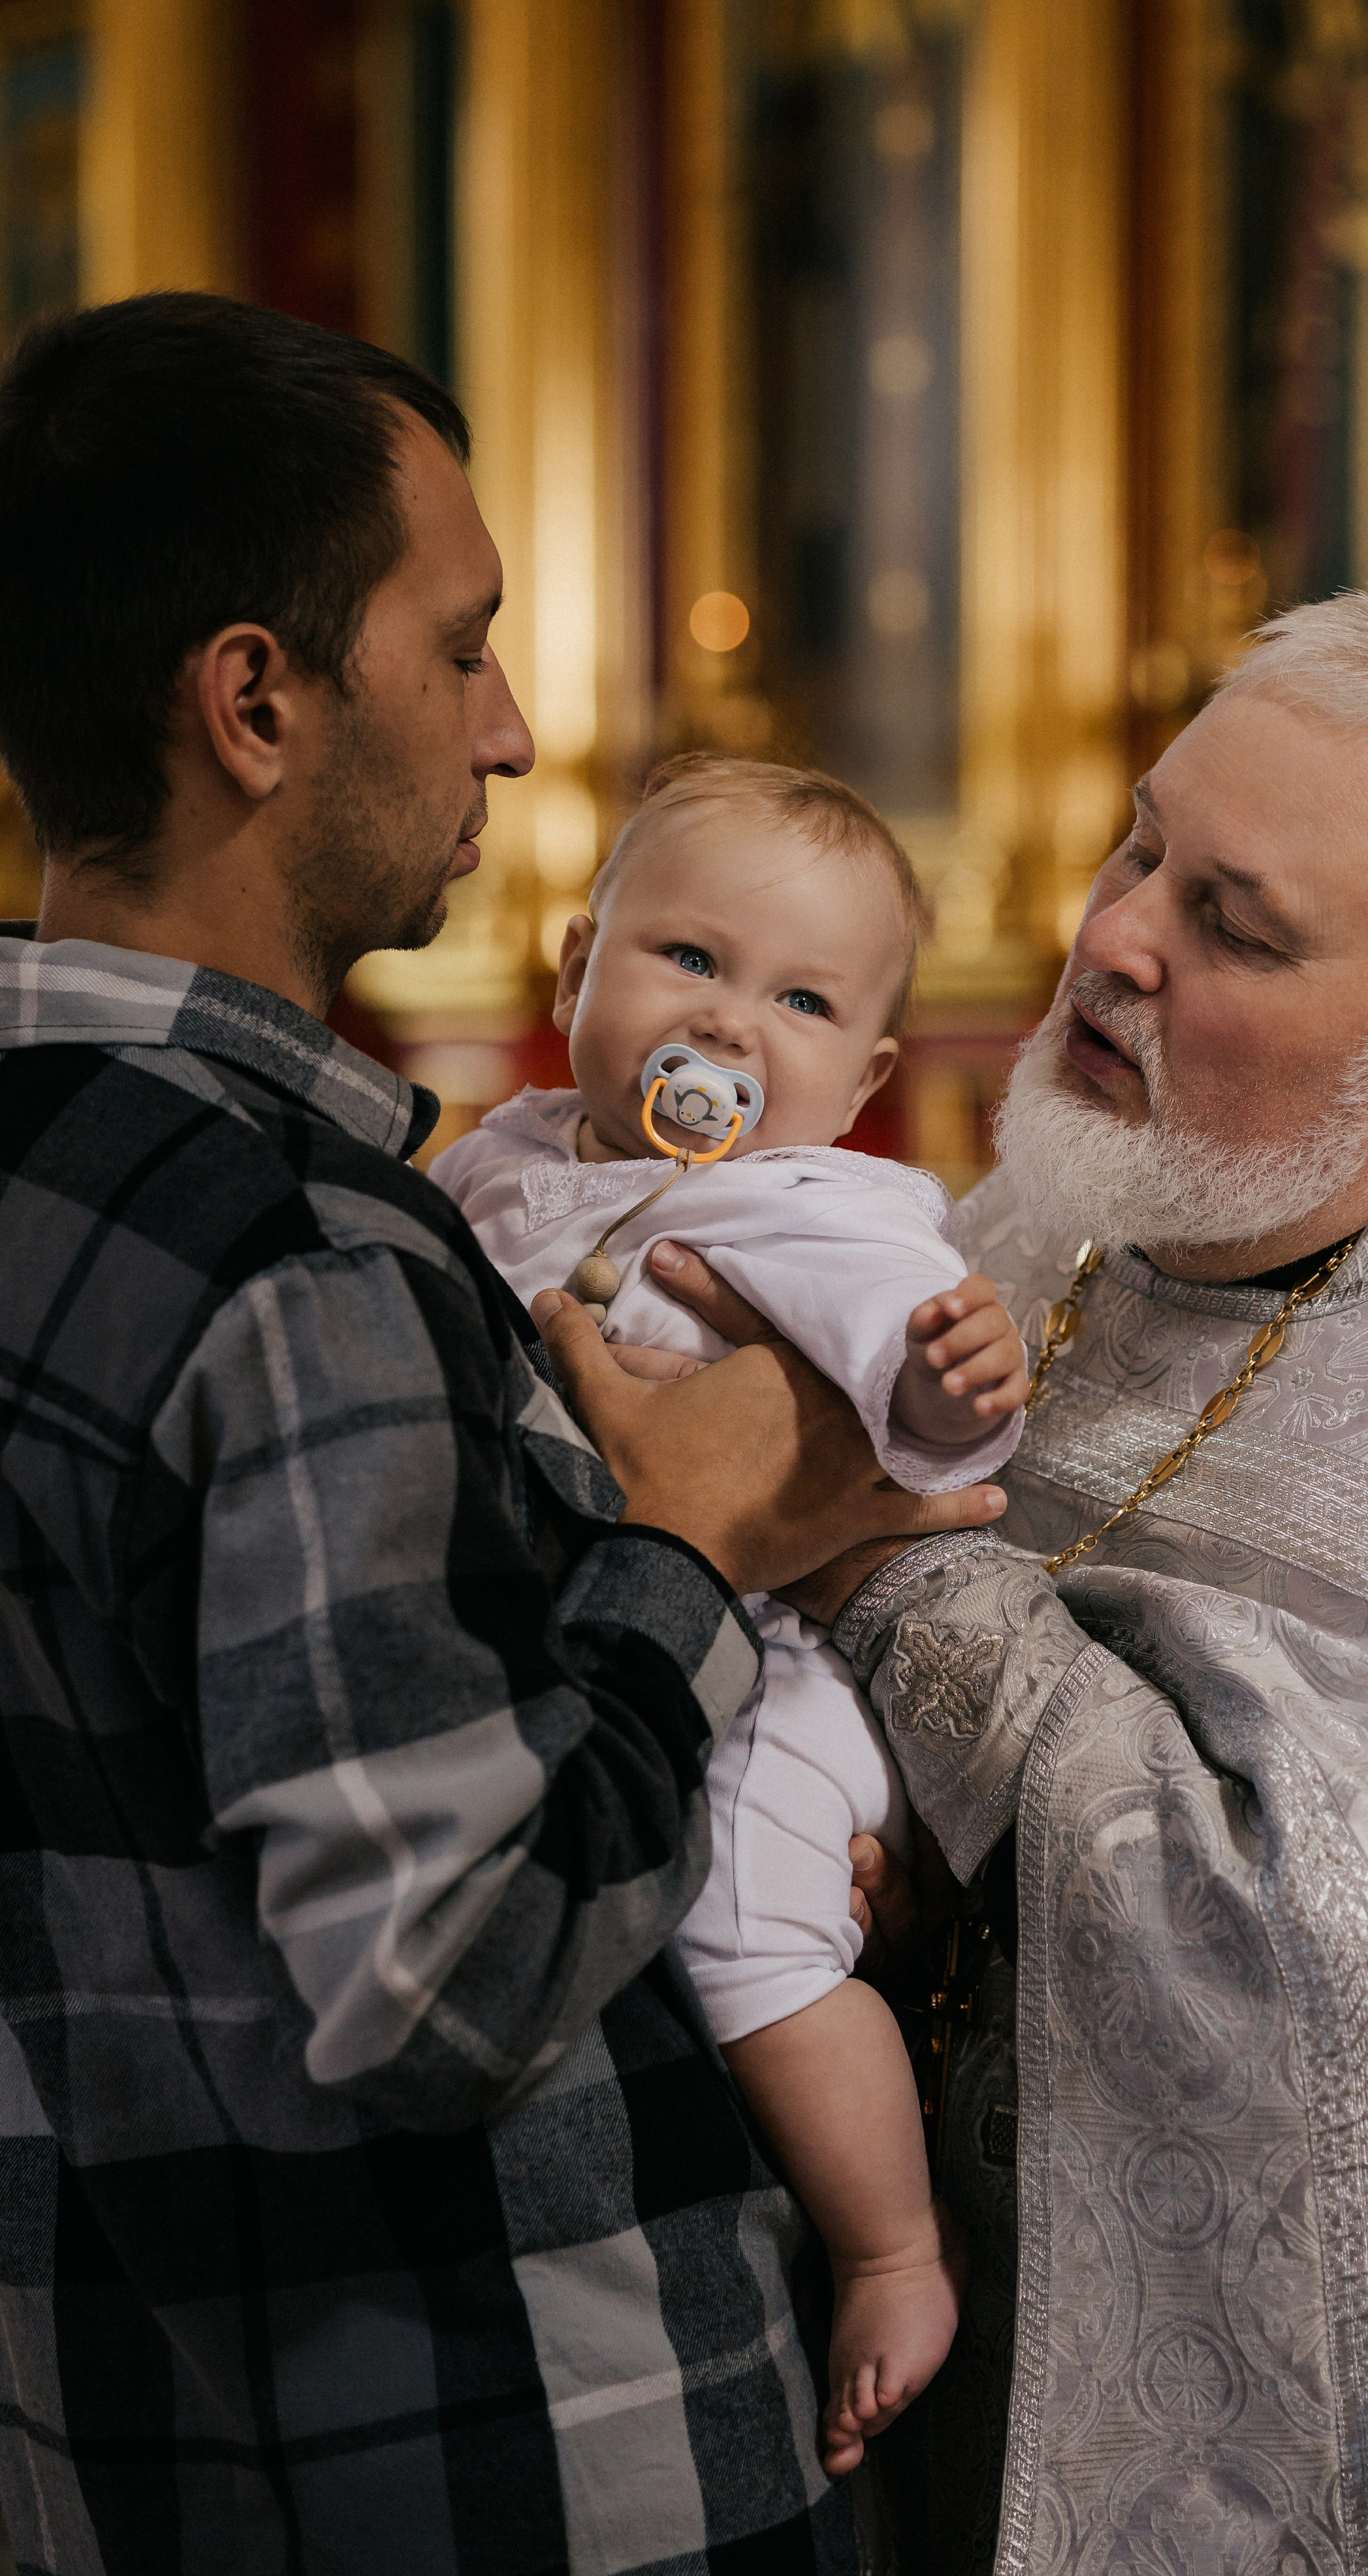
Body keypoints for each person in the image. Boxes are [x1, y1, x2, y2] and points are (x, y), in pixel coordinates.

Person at [0, 291, 1005, 2576]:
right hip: (505, 2463)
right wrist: (694, 1562)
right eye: (460, 650)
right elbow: (444, 1975)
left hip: (123, 2433)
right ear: (255, 702)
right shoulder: (296, 1253)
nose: (520, 730)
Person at [635, 582, 1368, 2575]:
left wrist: (868, 1563)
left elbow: (1315, 1983)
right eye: (1144, 841)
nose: (1112, 935)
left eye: (1233, 923)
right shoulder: (1079, 1223)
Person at [435, 751, 1029, 2473]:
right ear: (574, 976)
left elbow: (912, 1421)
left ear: (864, 1078)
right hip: (596, 1622)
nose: (734, 1027)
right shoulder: (498, 1166)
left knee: (746, 1929)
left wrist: (953, 1375)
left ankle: (888, 2246)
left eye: (802, 999)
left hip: (769, 1662)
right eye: (686, 961)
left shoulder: (817, 1202)